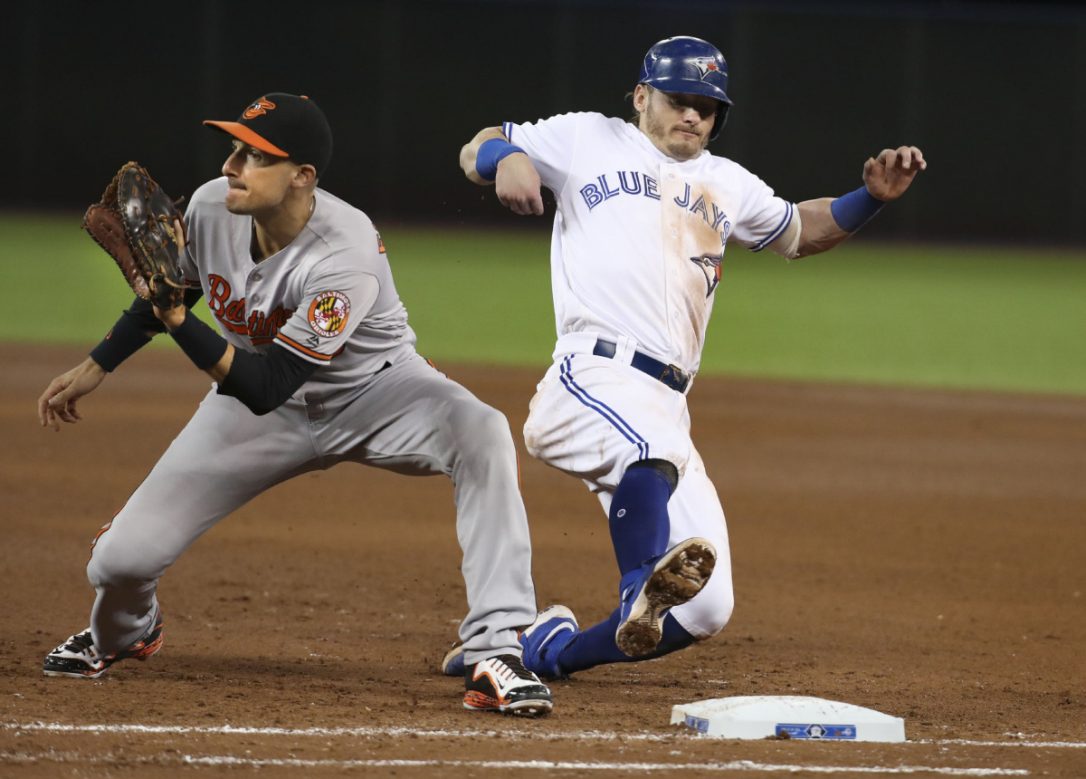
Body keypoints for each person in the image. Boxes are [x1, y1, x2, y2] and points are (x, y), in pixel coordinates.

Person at [37, 92, 553, 716]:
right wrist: (99, 363)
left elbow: (267, 381)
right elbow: (174, 289)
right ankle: (129, 632)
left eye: (255, 157)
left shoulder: (346, 252)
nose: (232, 166)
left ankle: (497, 647)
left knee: (482, 431)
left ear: (302, 177)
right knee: (118, 563)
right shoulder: (209, 205)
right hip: (253, 411)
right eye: (234, 149)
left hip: (379, 392)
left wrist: (178, 320)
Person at [443, 36, 927, 680]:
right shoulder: (589, 138)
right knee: (652, 456)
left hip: (668, 404)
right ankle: (639, 582)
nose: (693, 115)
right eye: (679, 100)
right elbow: (478, 143)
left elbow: (800, 231)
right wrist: (506, 157)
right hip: (592, 373)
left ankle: (547, 652)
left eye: (707, 106)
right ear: (643, 96)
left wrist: (869, 199)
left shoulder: (726, 181)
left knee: (707, 607)